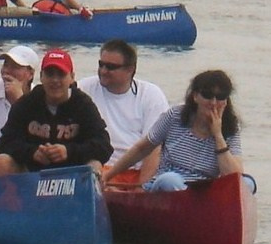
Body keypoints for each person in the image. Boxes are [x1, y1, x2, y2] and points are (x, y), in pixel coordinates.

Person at [103, 70, 247, 192]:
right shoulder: (175, 116)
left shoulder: (230, 127)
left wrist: (218, 135)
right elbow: (142, 148)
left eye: (220, 97)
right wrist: (109, 175)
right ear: (196, 96)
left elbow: (234, 177)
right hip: (167, 185)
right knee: (170, 180)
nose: (213, 103)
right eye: (207, 95)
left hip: (204, 192)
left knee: (248, 184)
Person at [0, 49, 112, 176]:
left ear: (72, 77)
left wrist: (68, 151)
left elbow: (104, 145)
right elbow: (5, 142)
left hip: (73, 174)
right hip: (32, 173)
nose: (55, 80)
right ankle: (9, 196)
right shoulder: (27, 103)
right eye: (50, 74)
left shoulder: (83, 104)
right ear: (41, 76)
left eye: (61, 74)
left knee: (94, 166)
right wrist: (33, 153)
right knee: (1, 162)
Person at [76, 40, 169, 184]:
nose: (103, 71)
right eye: (101, 64)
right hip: (96, 169)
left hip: (135, 173)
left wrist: (141, 190)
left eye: (111, 67)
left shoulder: (151, 95)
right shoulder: (84, 88)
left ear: (130, 69)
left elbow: (154, 149)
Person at [0, 45, 39, 160]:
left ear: (31, 74)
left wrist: (19, 101)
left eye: (15, 67)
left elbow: (37, 139)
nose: (7, 71)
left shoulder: (39, 95)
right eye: (6, 65)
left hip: (29, 159)